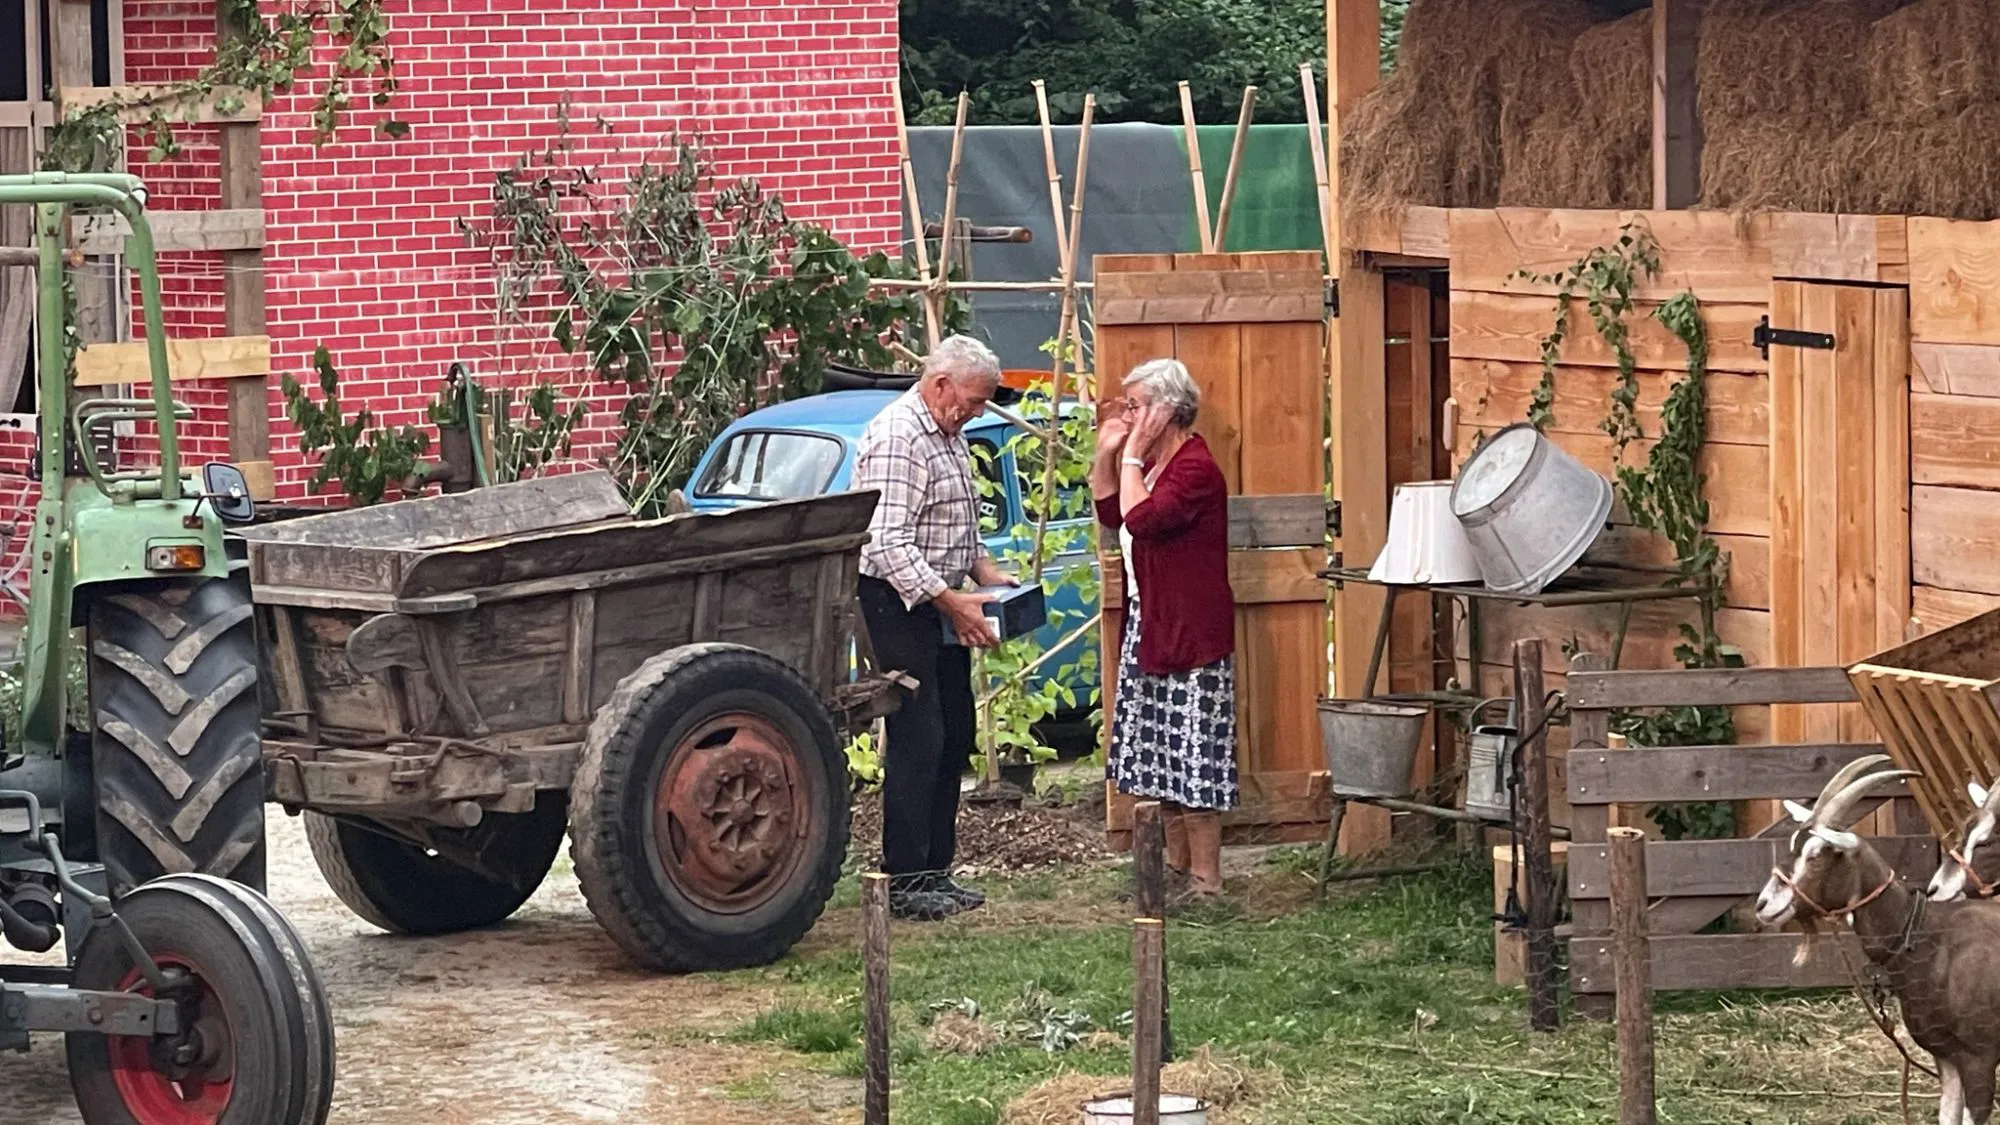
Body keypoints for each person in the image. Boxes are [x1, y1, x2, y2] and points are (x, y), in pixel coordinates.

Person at [852, 335, 1017, 921]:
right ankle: (905, 879)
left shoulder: (949, 435)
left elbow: (958, 525)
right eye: (972, 400)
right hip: (895, 603)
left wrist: (985, 573)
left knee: (954, 733)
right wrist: (952, 602)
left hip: (941, 602)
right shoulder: (900, 437)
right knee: (918, 737)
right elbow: (887, 543)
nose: (975, 412)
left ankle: (936, 871)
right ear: (941, 384)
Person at [1092, 357, 1237, 900]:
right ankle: (1176, 871)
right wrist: (1107, 454)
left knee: (1195, 757)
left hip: (1191, 633)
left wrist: (1130, 454)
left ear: (1167, 411)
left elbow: (1144, 520)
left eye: (1136, 406)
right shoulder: (1153, 466)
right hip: (1151, 625)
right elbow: (1111, 514)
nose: (1129, 415)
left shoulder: (1194, 468)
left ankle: (1207, 880)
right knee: (1160, 758)